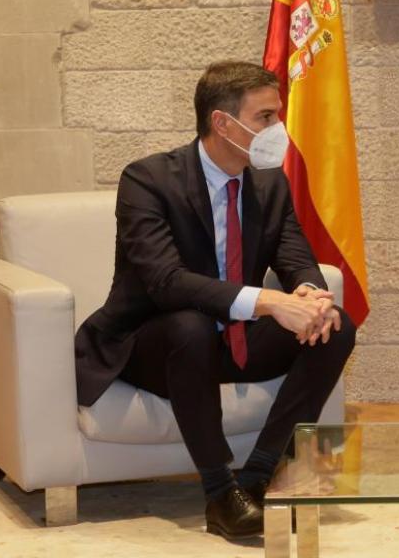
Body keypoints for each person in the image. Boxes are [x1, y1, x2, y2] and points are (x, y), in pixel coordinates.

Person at [74, 60, 356, 540]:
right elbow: (166, 281)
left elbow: (295, 255)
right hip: (151, 347)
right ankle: (220, 493)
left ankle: (259, 476)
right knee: (190, 324)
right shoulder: (148, 180)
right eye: (265, 117)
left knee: (335, 325)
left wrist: (310, 294)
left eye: (277, 115)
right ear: (222, 123)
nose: (278, 129)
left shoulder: (269, 182)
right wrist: (270, 302)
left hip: (231, 342)